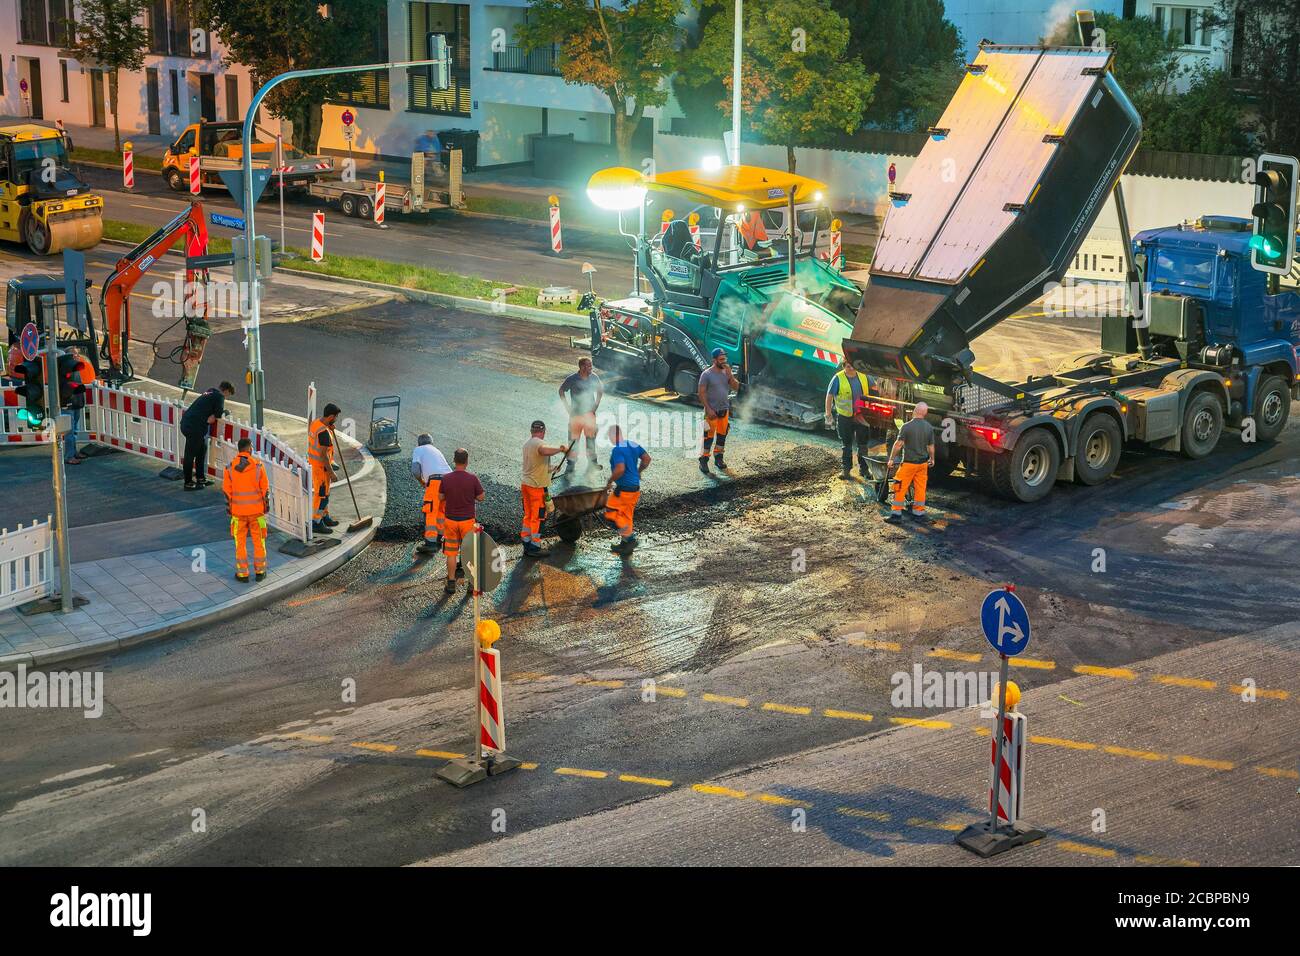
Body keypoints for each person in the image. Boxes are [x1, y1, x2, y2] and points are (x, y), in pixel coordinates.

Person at [222, 437, 270, 582]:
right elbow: (265, 489)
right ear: (249, 448)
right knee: (259, 542)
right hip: (257, 513)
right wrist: (265, 506)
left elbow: (226, 491)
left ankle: (243, 574)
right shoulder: (258, 466)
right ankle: (260, 572)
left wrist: (230, 508)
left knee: (240, 543)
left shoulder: (229, 468)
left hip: (238, 513)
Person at [438, 448, 485, 595]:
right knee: (470, 553)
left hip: (451, 521)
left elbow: (440, 497)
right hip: (467, 522)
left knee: (451, 553)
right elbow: (481, 497)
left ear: (454, 460)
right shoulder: (472, 478)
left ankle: (451, 584)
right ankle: (472, 584)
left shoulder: (446, 478)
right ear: (466, 461)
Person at [521, 420, 565, 559]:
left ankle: (526, 542)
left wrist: (552, 468)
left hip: (527, 485)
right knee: (538, 517)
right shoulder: (538, 443)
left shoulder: (527, 444)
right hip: (536, 488)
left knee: (528, 515)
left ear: (531, 431)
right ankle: (535, 547)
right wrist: (560, 449)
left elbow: (536, 464)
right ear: (543, 431)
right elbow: (544, 450)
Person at [885, 402, 935, 523]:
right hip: (922, 464)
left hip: (908, 464)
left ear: (914, 410)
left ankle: (896, 514)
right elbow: (931, 446)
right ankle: (919, 513)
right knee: (920, 488)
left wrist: (891, 459)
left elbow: (898, 444)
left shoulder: (906, 426)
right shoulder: (929, 427)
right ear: (925, 413)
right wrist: (932, 458)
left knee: (899, 486)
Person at [604, 424, 650, 555]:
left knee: (610, 513)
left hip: (624, 490)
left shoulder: (617, 449)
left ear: (613, 435)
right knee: (626, 516)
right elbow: (647, 459)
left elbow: (620, 469)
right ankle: (625, 545)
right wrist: (638, 471)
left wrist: (609, 481)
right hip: (635, 489)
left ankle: (630, 538)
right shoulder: (633, 444)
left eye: (610, 437)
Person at [180, 381, 235, 490]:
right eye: (228, 395)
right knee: (190, 454)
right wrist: (225, 412)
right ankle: (188, 483)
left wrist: (213, 415)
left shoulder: (210, 391)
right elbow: (219, 414)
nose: (226, 398)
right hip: (194, 427)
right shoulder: (219, 396)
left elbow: (212, 412)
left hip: (188, 423)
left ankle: (201, 478)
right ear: (226, 391)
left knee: (201, 450)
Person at [824, 356, 872, 480]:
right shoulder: (837, 378)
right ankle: (846, 471)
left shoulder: (864, 376)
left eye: (851, 365)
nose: (849, 367)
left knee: (862, 445)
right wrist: (828, 414)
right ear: (843, 365)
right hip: (845, 417)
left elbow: (875, 388)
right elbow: (829, 396)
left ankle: (864, 470)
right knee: (847, 445)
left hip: (861, 416)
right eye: (847, 365)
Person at [698, 348, 739, 474]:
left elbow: (736, 387)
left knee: (722, 436)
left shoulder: (726, 371)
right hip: (711, 412)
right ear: (714, 360)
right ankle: (703, 461)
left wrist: (730, 375)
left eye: (724, 359)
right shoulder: (706, 374)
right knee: (708, 438)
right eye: (721, 360)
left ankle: (719, 459)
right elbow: (701, 393)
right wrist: (708, 409)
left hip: (724, 410)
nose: (724, 361)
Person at [559, 357, 604, 474]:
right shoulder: (572, 379)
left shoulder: (594, 377)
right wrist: (567, 407)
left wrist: (596, 405)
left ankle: (593, 463)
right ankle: (571, 465)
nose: (591, 368)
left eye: (591, 365)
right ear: (582, 367)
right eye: (589, 365)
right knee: (573, 440)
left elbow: (600, 390)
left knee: (591, 440)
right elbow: (561, 390)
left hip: (589, 415)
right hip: (576, 416)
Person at [412, 433, 452, 554]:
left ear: (419, 443)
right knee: (441, 511)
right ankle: (440, 538)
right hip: (449, 481)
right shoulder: (436, 450)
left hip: (435, 482)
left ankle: (430, 543)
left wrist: (422, 482)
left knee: (430, 511)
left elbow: (415, 471)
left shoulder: (418, 449)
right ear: (431, 442)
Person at [308, 403, 341, 535]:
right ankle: (316, 521)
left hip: (315, 465)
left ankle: (324, 516)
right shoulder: (324, 433)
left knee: (325, 493)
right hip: (321, 468)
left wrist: (329, 426)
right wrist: (332, 473)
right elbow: (323, 455)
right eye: (336, 417)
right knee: (322, 496)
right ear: (331, 416)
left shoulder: (316, 423)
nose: (337, 419)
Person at [62, 348, 96, 465]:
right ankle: (69, 456)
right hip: (68, 403)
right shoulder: (65, 368)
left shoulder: (75, 368)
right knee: (70, 432)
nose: (77, 356)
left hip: (75, 401)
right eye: (75, 354)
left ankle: (73, 452)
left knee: (74, 430)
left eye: (77, 354)